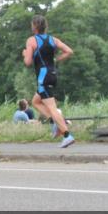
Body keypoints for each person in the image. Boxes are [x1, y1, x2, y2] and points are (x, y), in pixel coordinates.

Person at [23, 14, 75, 148]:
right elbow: (69, 51)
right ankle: (56, 123)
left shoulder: (31, 41)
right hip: (52, 74)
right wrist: (56, 60)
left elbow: (28, 62)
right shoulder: (53, 39)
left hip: (43, 77)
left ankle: (67, 135)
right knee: (35, 102)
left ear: (34, 26)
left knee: (51, 107)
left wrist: (25, 54)